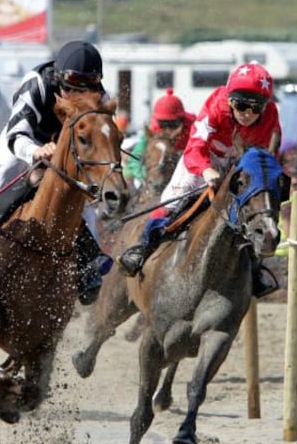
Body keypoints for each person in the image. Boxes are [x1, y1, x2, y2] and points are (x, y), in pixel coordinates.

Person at [0, 40, 111, 306]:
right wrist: (35, 151)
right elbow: (17, 131)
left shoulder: (100, 96)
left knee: (81, 197)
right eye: (73, 85)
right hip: (23, 140)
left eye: (88, 86)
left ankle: (89, 262)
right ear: (59, 77)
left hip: (66, 147)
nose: (80, 94)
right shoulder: (36, 82)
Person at [116, 62, 282, 298]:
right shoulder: (216, 105)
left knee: (254, 211)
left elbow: (267, 159)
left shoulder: (271, 118)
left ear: (265, 107)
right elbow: (195, 147)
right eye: (240, 104)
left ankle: (255, 270)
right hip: (203, 158)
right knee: (171, 202)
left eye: (255, 108)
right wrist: (205, 170)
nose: (246, 113)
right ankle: (141, 249)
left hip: (240, 163)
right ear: (229, 100)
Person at [123, 88, 195, 188]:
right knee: (127, 173)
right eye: (164, 124)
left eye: (173, 124)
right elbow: (135, 158)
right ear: (158, 122)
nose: (168, 130)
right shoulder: (153, 129)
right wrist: (145, 174)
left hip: (187, 173)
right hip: (155, 177)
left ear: (182, 120)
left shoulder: (194, 128)